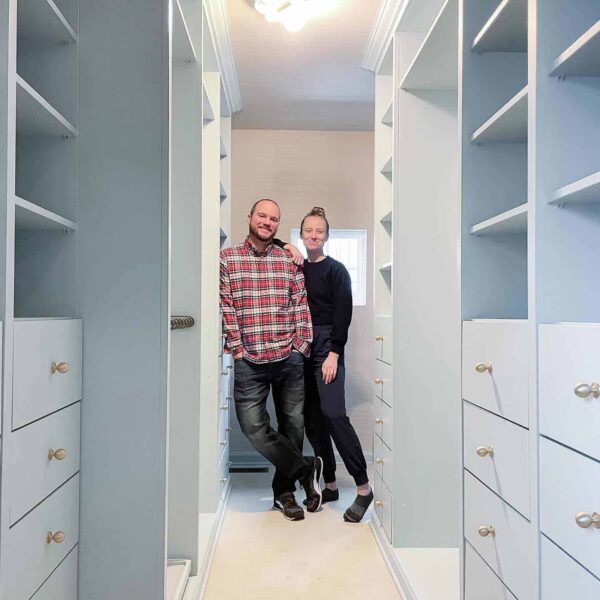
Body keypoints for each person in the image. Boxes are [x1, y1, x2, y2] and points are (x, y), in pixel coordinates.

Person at [219, 198, 322, 522]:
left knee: (292, 425)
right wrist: (238, 349)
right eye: (262, 216)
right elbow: (226, 307)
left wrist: (300, 346)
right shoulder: (227, 258)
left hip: (287, 358)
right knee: (254, 427)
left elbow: (300, 304)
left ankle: (284, 494)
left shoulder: (289, 260)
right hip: (249, 359)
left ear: (278, 225)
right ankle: (306, 469)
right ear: (249, 218)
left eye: (273, 218)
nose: (267, 221)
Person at [274, 207, 373, 523]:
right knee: (313, 421)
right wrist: (283, 245)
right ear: (300, 235)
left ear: (326, 236)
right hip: (300, 345)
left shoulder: (337, 270)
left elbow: (344, 315)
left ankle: (363, 489)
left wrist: (334, 354)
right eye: (308, 231)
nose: (313, 235)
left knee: (334, 415)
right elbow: (265, 242)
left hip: (327, 345)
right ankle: (329, 485)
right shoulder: (296, 265)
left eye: (319, 231)